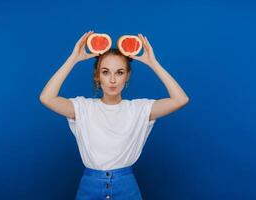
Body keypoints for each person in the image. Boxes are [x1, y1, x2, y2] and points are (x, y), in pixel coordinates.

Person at [39, 30, 189, 200]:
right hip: (89, 187)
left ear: (127, 76)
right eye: (105, 72)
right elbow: (46, 97)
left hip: (126, 188)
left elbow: (180, 99)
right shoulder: (82, 108)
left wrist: (153, 63)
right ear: (97, 76)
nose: (112, 80)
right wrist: (73, 58)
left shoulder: (139, 109)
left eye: (119, 72)